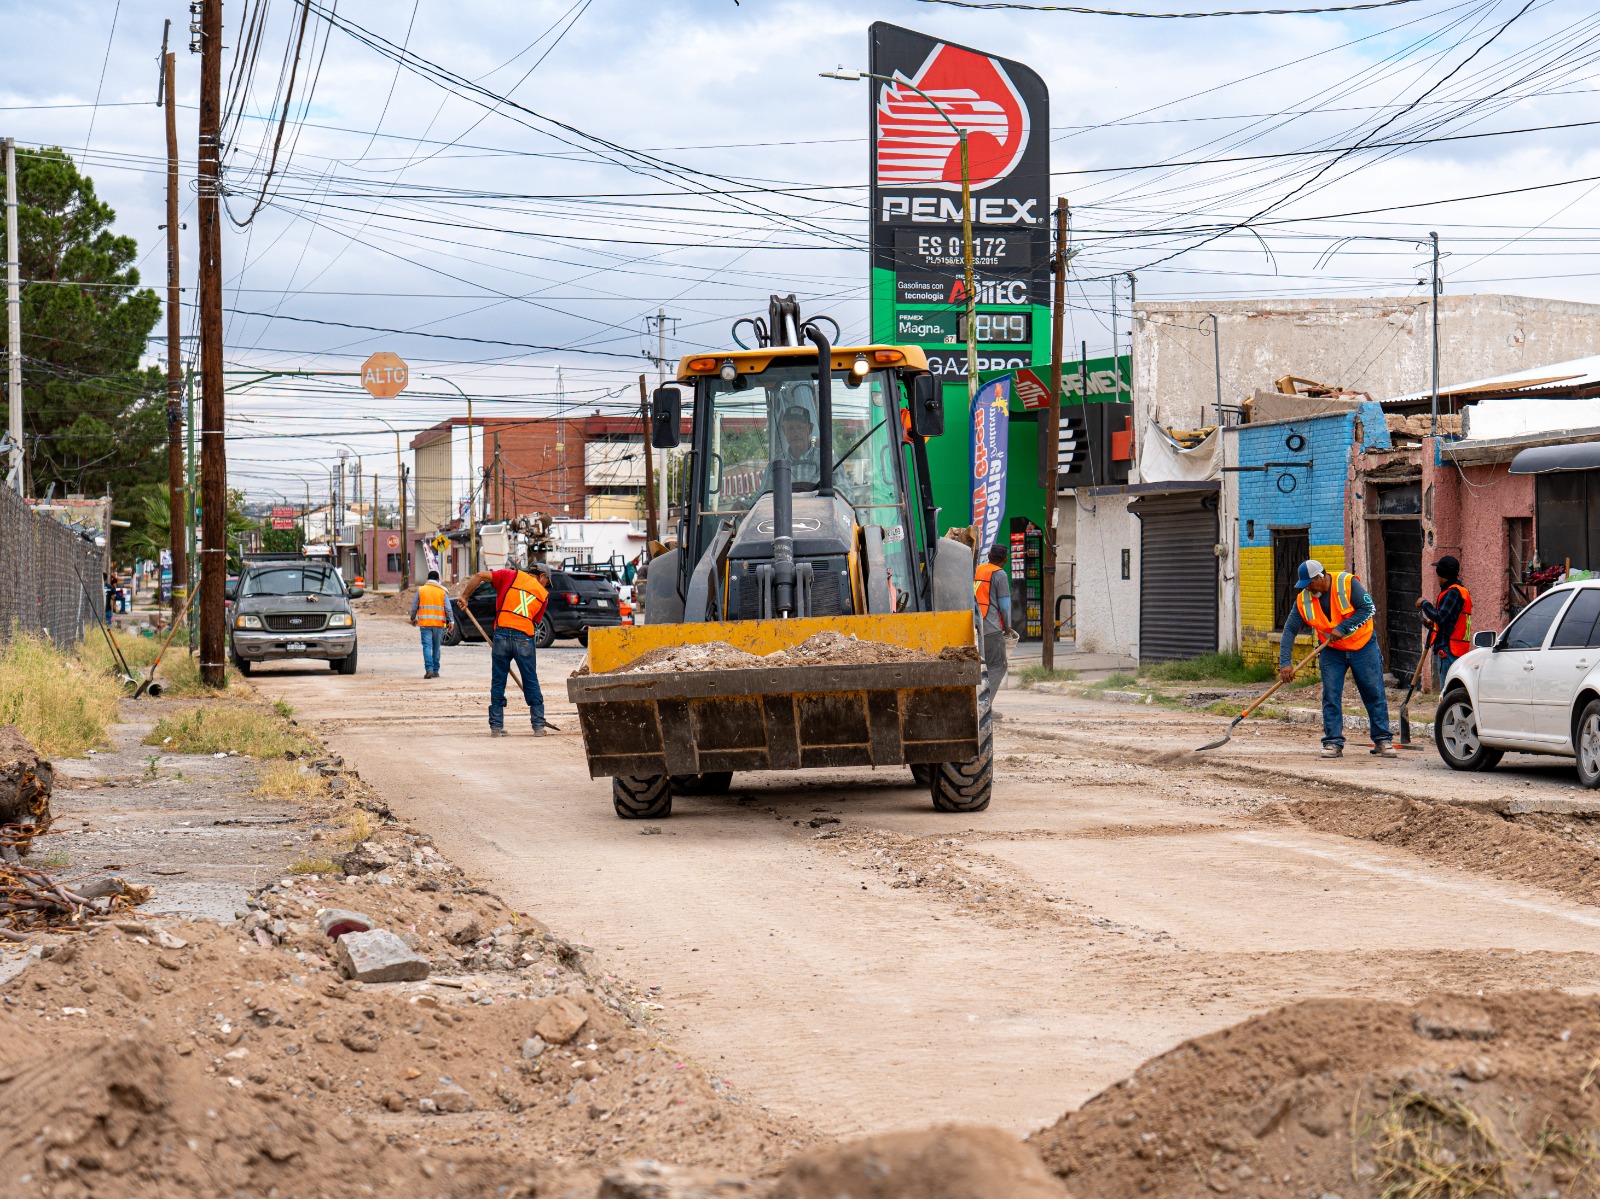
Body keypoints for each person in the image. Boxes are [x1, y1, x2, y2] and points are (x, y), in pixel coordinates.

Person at [1279, 559, 1396, 758]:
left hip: (1363, 647)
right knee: (1331, 695)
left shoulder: (1347, 583)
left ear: (1320, 577)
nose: (1307, 588)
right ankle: (1333, 742)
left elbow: (1368, 609)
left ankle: (1382, 740)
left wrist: (1343, 628)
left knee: (1374, 693)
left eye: (1310, 583)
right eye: (1304, 585)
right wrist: (1285, 663)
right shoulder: (1303, 600)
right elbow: (1290, 629)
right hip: (1331, 651)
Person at [457, 563, 551, 738]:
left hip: (501, 635)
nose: (546, 585)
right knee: (530, 680)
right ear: (542, 576)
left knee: (498, 682)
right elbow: (533, 622)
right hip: (524, 638)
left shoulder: (510, 575)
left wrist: (464, 596)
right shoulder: (543, 595)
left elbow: (479, 576)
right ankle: (538, 725)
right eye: (547, 582)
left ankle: (496, 726)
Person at [1417, 555, 1471, 688]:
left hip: (1448, 649)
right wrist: (1434, 624)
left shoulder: (1452, 592)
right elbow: (1450, 620)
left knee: (1447, 690)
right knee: (1454, 689)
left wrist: (1424, 603)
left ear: (1441, 575)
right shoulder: (1462, 591)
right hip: (1457, 647)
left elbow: (1440, 617)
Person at [974, 545, 1016, 699]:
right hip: (990, 628)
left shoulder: (977, 569)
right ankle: (984, 703)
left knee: (978, 667)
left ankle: (977, 702)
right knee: (998, 665)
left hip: (973, 625)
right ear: (1005, 560)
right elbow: (1004, 605)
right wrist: (1007, 626)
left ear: (989, 556)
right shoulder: (1000, 574)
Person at [409, 569, 454, 679]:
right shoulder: (442, 591)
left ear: (427, 579)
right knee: (436, 647)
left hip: (425, 624)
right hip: (439, 624)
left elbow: (414, 606)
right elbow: (448, 609)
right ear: (438, 579)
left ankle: (429, 669)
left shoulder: (421, 590)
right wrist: (451, 621)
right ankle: (436, 671)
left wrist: (412, 618)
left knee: (427, 646)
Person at [778, 404, 820, 485]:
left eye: (800, 428)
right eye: (790, 428)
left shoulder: (826, 460)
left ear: (810, 429)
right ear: (784, 430)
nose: (796, 433)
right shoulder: (775, 465)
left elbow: (842, 488)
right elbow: (765, 492)